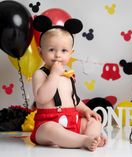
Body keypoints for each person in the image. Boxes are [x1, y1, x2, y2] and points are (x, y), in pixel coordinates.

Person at [30, 15, 107, 151]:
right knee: (51, 130)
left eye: (64, 50)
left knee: (94, 121)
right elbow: (42, 98)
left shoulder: (68, 75)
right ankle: (82, 140)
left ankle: (93, 137)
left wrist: (86, 110)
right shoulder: (40, 74)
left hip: (72, 121)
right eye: (51, 50)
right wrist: (54, 74)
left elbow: (74, 100)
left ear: (71, 53)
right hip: (47, 122)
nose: (58, 55)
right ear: (41, 52)